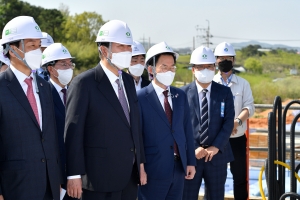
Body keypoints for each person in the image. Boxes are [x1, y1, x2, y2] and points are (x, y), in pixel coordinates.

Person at [64, 20, 145, 200]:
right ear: (104, 50)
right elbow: (73, 133)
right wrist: (73, 174)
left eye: (129, 47)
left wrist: (140, 163)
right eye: (120, 46)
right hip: (97, 179)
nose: (126, 51)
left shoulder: (129, 82)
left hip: (129, 178)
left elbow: (134, 127)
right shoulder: (84, 83)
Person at [0, 16, 62, 200]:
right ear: (12, 49)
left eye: (39, 46)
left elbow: (51, 136)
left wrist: (57, 177)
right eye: (31, 46)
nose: (38, 51)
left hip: (49, 185)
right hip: (16, 186)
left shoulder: (45, 87)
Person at [138, 41, 196, 200]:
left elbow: (186, 131)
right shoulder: (141, 98)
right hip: (153, 170)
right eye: (164, 67)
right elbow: (137, 137)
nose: (169, 71)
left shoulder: (180, 95)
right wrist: (140, 167)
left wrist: (190, 161)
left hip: (178, 168)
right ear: (151, 69)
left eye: (172, 67)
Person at [181, 46, 235, 200]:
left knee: (216, 196)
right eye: (201, 67)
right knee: (187, 196)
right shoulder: (182, 94)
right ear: (193, 69)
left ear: (214, 68)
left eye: (209, 66)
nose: (205, 70)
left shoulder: (224, 92)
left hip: (217, 157)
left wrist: (216, 146)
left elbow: (228, 122)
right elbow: (179, 126)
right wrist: (193, 148)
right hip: (192, 157)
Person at [213, 42, 254, 200]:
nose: (225, 60)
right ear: (216, 60)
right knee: (216, 179)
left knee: (239, 178)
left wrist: (236, 122)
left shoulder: (243, 84)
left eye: (228, 57)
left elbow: (249, 107)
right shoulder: (210, 83)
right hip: (216, 140)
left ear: (234, 60)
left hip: (237, 139)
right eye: (221, 58)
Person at [42, 43, 75, 200]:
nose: (68, 67)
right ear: (51, 69)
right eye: (63, 64)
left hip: (77, 172)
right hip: (57, 175)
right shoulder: (43, 94)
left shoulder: (76, 92)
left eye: (70, 64)